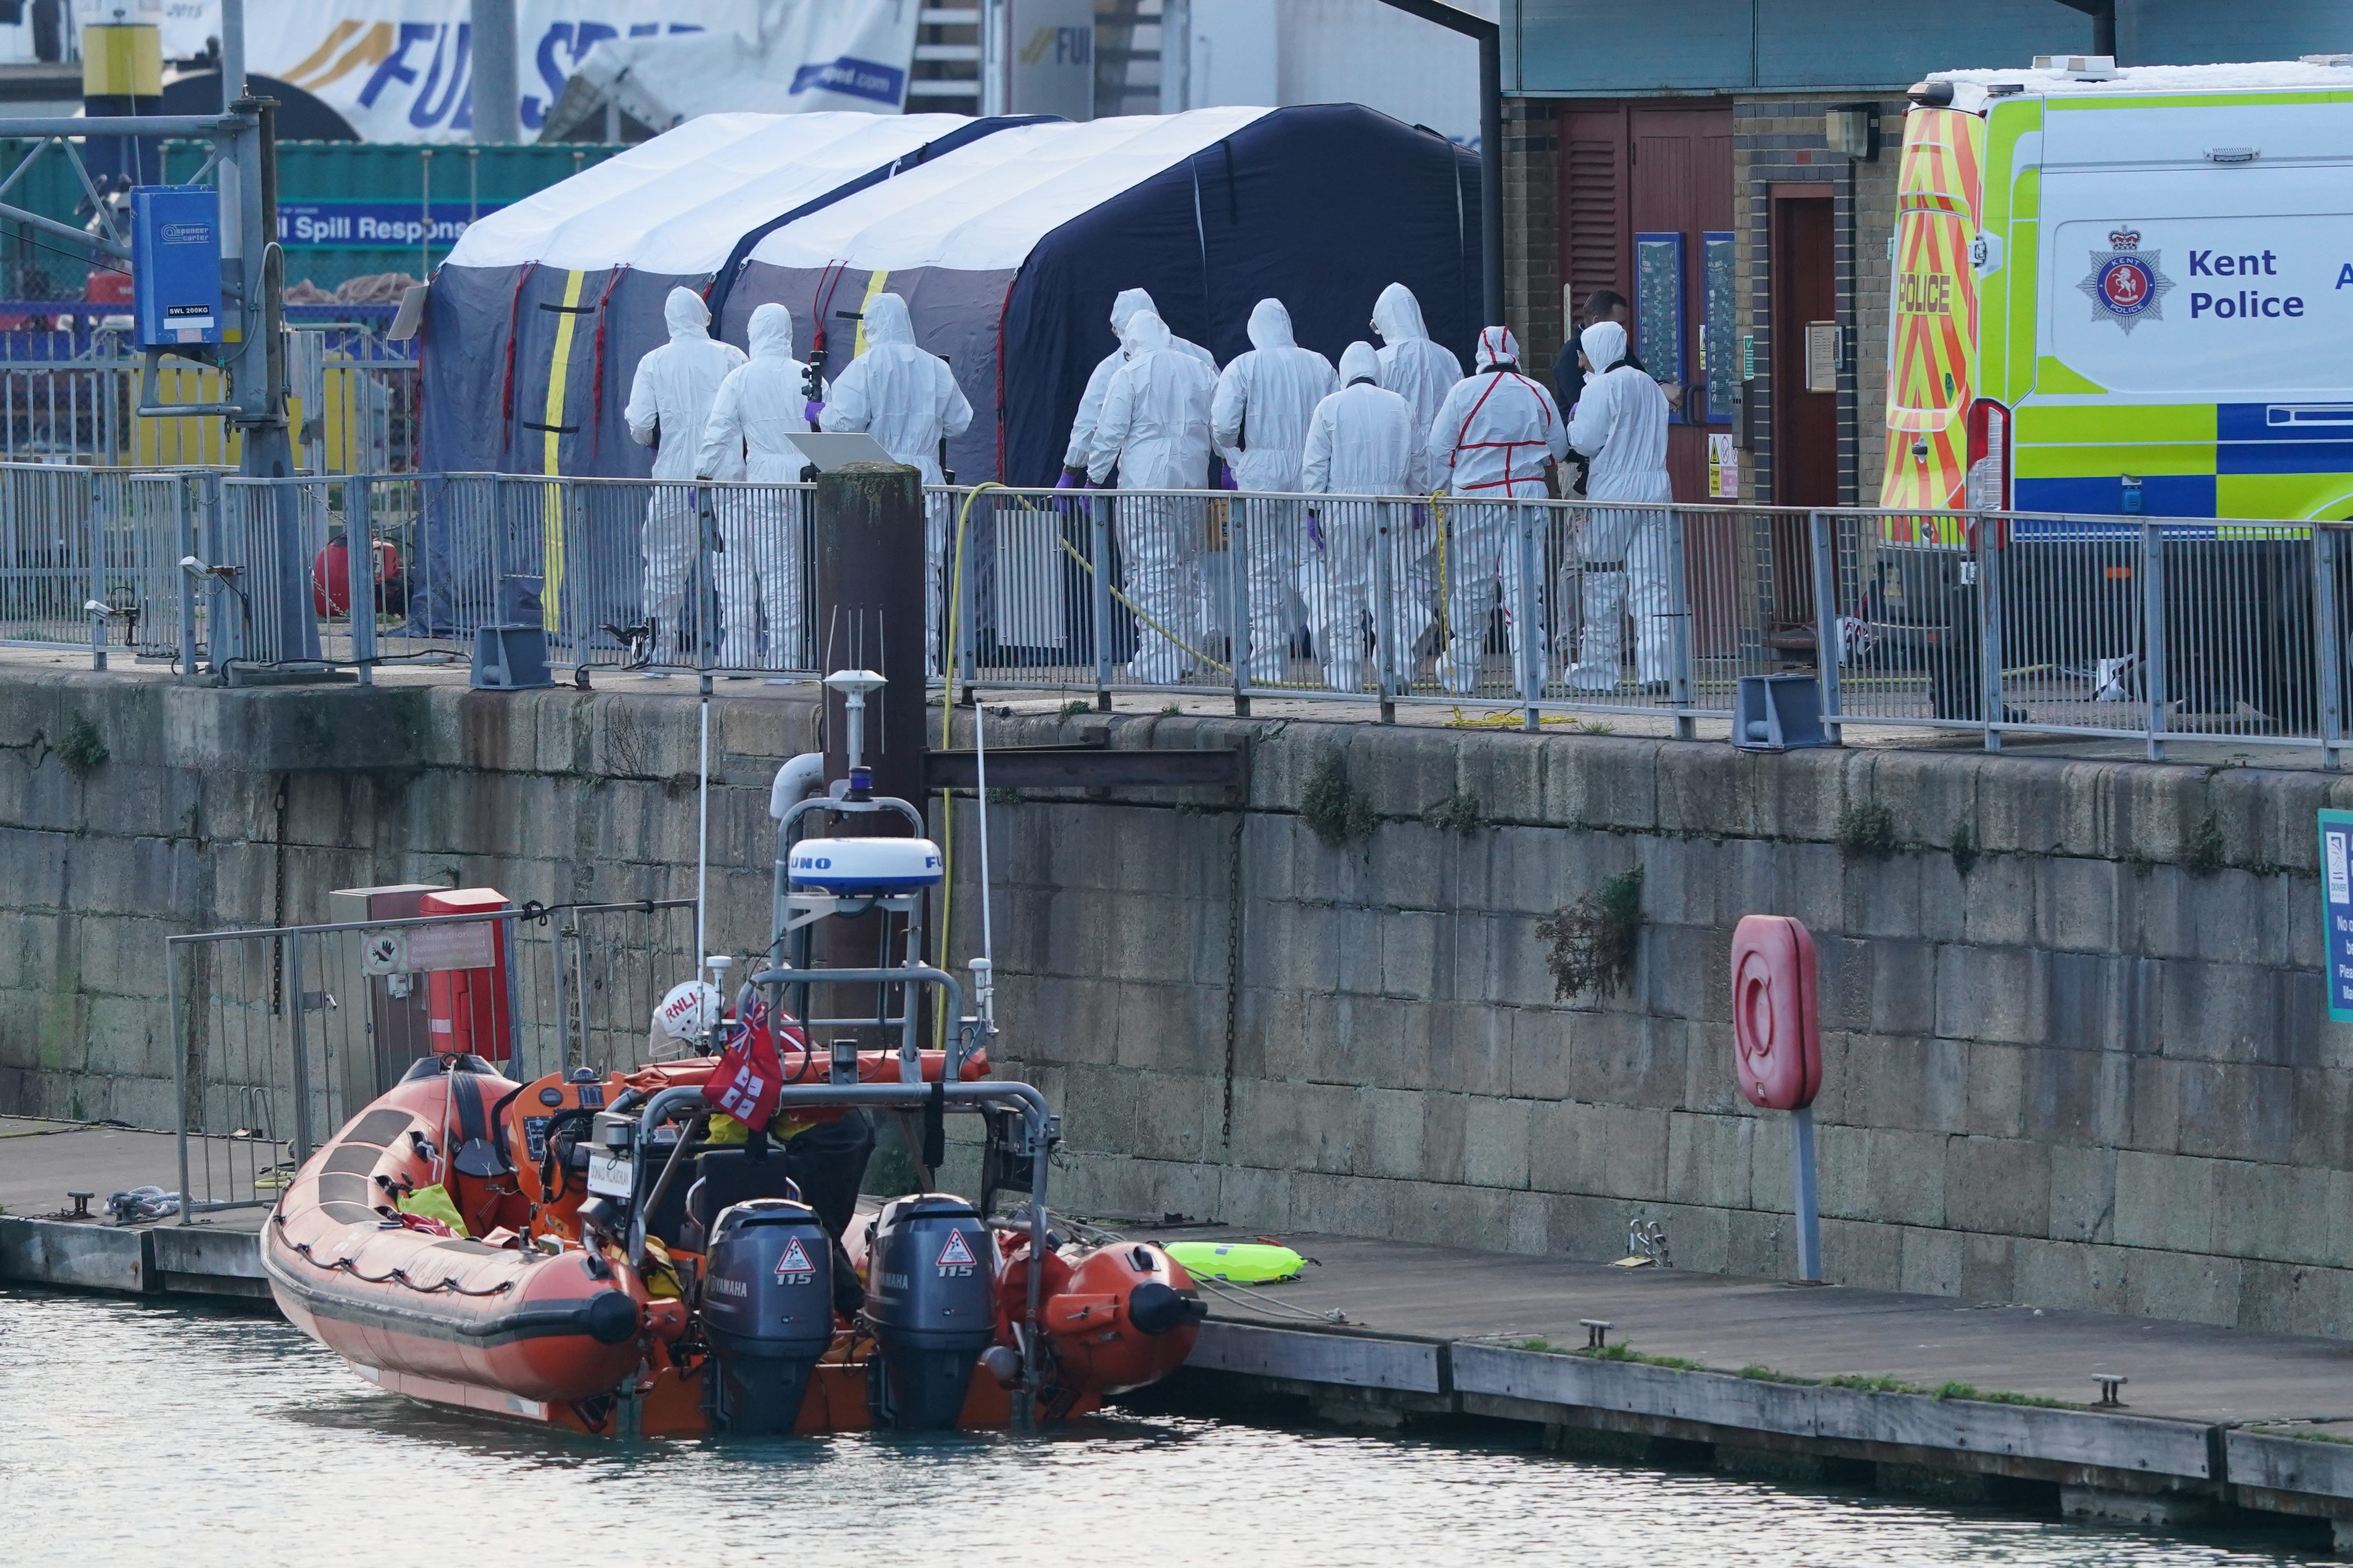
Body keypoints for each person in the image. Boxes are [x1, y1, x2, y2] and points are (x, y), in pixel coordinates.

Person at [819, 292, 973, 672]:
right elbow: (960, 421)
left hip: (878, 477)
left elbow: (844, 421)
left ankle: (881, 661)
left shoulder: (866, 365)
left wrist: (820, 413)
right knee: (926, 572)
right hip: (925, 479)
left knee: (875, 570)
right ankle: (923, 664)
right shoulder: (936, 368)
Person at [1424, 325, 1567, 696]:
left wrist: (1469, 463)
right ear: (1514, 354)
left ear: (1480, 357)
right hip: (1527, 493)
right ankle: (1530, 677)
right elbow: (1560, 448)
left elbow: (1439, 448)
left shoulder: (1463, 393)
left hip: (1477, 496)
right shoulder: (1536, 391)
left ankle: (1462, 674)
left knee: (1472, 587)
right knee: (1524, 586)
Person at [1088, 310, 1220, 683]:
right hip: (1191, 481)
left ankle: (1158, 660)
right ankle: (1186, 652)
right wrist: (1229, 463)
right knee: (1186, 568)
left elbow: (1109, 432)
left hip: (1143, 484)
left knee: (1150, 571)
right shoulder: (1200, 368)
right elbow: (1223, 422)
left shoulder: (1129, 374)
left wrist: (1094, 478)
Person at [1211, 299, 1337, 683]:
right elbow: (1335, 419)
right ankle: (1326, 613)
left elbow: (1222, 425)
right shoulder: (1320, 364)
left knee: (1263, 567)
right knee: (1307, 557)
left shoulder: (1244, 366)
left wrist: (1237, 458)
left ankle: (1268, 665)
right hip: (1308, 470)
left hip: (1262, 472)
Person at [625, 286, 745, 669]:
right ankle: (738, 657)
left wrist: (658, 439)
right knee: (733, 565)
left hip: (675, 475)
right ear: (702, 317)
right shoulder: (730, 356)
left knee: (663, 567)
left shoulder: (653, 362)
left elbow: (641, 423)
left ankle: (658, 657)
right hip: (726, 474)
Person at [697, 303, 821, 672]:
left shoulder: (740, 379)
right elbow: (830, 424)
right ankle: (810, 660)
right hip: (810, 479)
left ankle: (783, 667)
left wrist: (701, 475)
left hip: (766, 481)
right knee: (812, 574)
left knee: (777, 576)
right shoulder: (810, 375)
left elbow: (719, 433)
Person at [1299, 341, 1425, 692]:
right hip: (1392, 502)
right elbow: (1419, 460)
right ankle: (1397, 671)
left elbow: (1314, 467)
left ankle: (1346, 674)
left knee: (1344, 591)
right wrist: (1417, 497)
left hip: (1344, 506)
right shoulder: (1400, 404)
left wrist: (1314, 509)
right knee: (1394, 586)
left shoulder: (1330, 406)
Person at [1566, 318, 1674, 691]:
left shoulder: (1601, 388)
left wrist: (1573, 419)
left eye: (1583, 355)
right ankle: (1658, 669)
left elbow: (1583, 442)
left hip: (1613, 491)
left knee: (1602, 580)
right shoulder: (1648, 385)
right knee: (1654, 583)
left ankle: (1599, 672)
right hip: (1656, 488)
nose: (1581, 363)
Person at [1369, 281, 1463, 655]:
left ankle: (1406, 641)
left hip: (1401, 471)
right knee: (1433, 563)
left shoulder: (1382, 361)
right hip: (1444, 472)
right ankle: (1428, 641)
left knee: (1397, 564)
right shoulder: (1448, 358)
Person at [1060, 288, 1217, 486]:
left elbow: (1099, 425)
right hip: (1192, 477)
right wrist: (1230, 464)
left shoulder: (1120, 370)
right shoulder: (1199, 360)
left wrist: (1078, 472)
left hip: (1142, 480)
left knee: (1141, 517)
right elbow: (1223, 419)